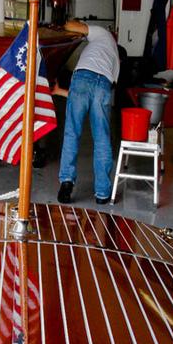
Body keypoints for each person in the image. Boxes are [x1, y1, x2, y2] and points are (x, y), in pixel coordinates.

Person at [55, 20, 120, 205]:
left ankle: (67, 182)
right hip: (105, 84)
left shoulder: (102, 33)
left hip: (83, 76)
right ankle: (102, 193)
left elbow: (69, 26)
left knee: (72, 133)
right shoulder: (115, 63)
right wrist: (59, 91)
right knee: (102, 138)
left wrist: (81, 25)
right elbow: (95, 95)